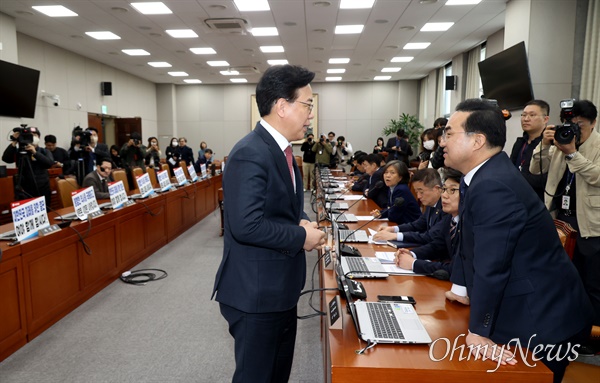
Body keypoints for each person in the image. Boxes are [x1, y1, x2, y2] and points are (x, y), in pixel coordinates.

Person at [444, 98, 592, 382]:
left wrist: (478, 331)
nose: (442, 141)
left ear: (477, 141)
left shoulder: (493, 185)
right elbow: (468, 242)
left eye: (449, 133)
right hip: (525, 305)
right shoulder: (478, 176)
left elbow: (492, 264)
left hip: (544, 319)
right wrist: (460, 288)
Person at [212, 64, 326, 383]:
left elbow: (275, 210)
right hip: (256, 293)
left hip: (279, 288)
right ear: (281, 106)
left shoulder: (278, 150)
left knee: (276, 375)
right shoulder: (251, 153)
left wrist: (300, 221)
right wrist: (300, 236)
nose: (310, 115)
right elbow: (246, 225)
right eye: (307, 106)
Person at [530, 99, 600, 351]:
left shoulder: (596, 144)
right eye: (571, 123)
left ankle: (592, 340)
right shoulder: (561, 141)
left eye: (580, 124)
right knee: (565, 282)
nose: (574, 129)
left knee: (592, 285)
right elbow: (536, 168)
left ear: (593, 123)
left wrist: (572, 151)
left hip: (591, 225)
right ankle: (568, 332)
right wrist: (545, 143)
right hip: (562, 221)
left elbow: (596, 176)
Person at [394, 168, 462, 276]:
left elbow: (457, 269)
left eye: (452, 190)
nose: (444, 195)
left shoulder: (470, 225)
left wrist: (413, 264)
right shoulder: (450, 219)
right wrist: (412, 254)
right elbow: (437, 245)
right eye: (444, 189)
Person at [374, 168, 445, 243]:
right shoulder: (431, 204)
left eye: (421, 192)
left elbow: (430, 236)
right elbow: (417, 225)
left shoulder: (445, 208)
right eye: (416, 192)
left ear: (436, 189)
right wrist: (393, 229)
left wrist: (396, 236)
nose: (418, 196)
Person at [2, 126, 53, 206]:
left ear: (39, 137)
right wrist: (14, 141)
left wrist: (35, 153)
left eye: (35, 135)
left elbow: (49, 163)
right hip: (25, 190)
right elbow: (6, 159)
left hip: (42, 189)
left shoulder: (44, 151)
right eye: (31, 135)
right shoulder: (20, 152)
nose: (33, 137)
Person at [510, 99, 550, 200]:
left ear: (545, 119)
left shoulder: (550, 145)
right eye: (523, 115)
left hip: (538, 201)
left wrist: (515, 176)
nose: (526, 119)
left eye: (532, 115)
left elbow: (545, 180)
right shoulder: (520, 142)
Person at [370, 160, 421, 225]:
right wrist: (380, 213)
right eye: (386, 172)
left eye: (392, 173)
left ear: (400, 177)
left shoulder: (401, 190)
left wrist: (384, 213)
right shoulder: (392, 187)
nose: (387, 176)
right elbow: (391, 208)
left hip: (411, 227)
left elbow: (393, 216)